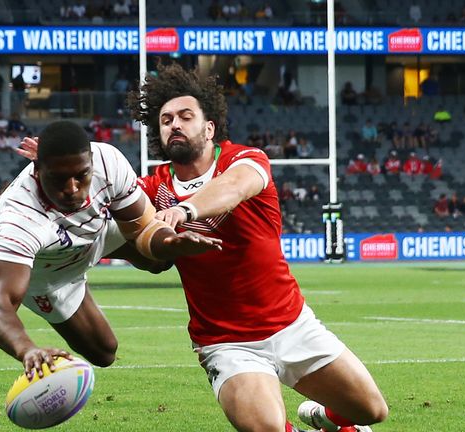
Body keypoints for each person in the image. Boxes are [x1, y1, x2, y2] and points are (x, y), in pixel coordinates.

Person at [128, 63, 386, 432]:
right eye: (166, 119)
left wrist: (185, 210)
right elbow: (132, 237)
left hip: (292, 324)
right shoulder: (152, 188)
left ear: (209, 127)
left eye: (186, 116)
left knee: (371, 411)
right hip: (226, 342)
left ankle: (323, 417)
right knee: (266, 428)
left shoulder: (244, 159)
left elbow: (233, 188)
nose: (175, 124)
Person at [0, 121, 221, 381]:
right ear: (38, 170)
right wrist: (26, 350)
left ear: (92, 162)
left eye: (81, 176)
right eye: (59, 178)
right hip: (52, 274)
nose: (72, 188)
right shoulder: (19, 218)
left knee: (162, 259)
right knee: (104, 353)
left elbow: (144, 226)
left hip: (99, 233)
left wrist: (171, 242)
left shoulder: (109, 163)